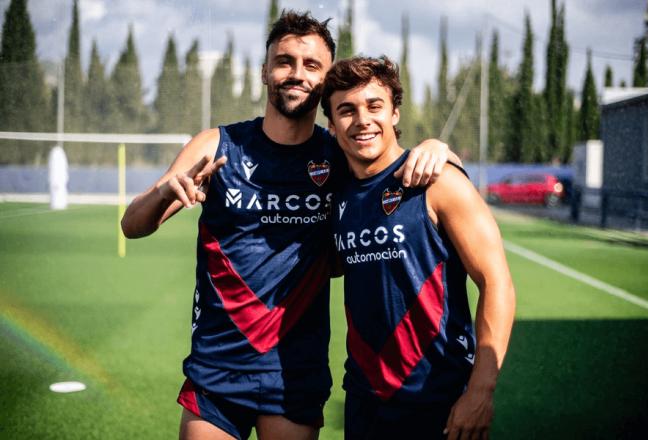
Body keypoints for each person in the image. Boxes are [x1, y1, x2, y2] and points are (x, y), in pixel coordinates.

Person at [121, 11, 457, 440]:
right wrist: (166, 190)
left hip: (294, 370)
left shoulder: (341, 155)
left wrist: (436, 147)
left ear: (325, 79)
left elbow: (403, 167)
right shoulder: (217, 145)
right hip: (217, 366)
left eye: (311, 65)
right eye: (284, 61)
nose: (296, 74)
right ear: (265, 71)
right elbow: (133, 225)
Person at [320, 55, 516, 439]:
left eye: (374, 106)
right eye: (346, 110)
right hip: (365, 400)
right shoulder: (337, 194)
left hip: (438, 398)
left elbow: (497, 284)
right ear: (331, 123)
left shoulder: (438, 180)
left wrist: (480, 391)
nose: (362, 120)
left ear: (394, 112)